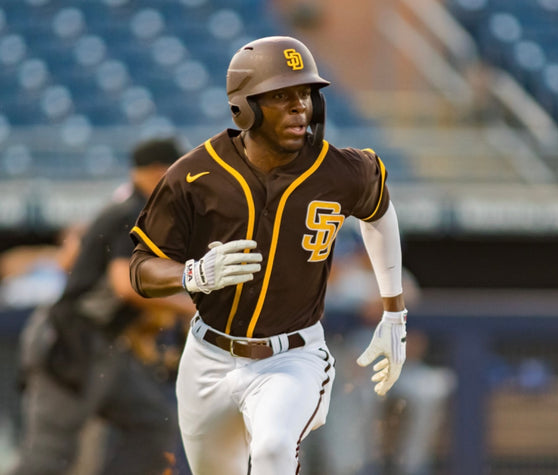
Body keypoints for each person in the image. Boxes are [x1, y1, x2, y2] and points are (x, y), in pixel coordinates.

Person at [129, 36, 409, 475]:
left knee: (275, 449)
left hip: (292, 356)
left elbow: (379, 212)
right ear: (245, 107)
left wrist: (394, 312)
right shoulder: (194, 174)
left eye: (305, 93)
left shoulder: (342, 169)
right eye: (282, 96)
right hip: (208, 357)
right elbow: (141, 268)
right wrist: (193, 274)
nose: (301, 107)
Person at [7, 138, 196, 475]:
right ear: (159, 171)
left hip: (103, 344)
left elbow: (76, 261)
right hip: (71, 339)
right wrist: (190, 305)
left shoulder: (136, 208)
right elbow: (126, 285)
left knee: (152, 424)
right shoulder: (133, 212)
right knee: (48, 456)